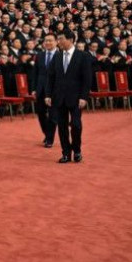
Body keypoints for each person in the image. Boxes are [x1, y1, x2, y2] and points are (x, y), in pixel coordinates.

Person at [46, 30, 92, 163]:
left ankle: (77, 150)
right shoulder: (57, 56)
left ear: (71, 39)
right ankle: (66, 153)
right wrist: (48, 94)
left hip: (76, 98)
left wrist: (84, 97)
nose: (58, 42)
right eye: (58, 39)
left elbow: (87, 78)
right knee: (62, 127)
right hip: (59, 97)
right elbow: (51, 77)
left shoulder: (83, 56)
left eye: (61, 38)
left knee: (76, 125)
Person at [32, 33, 57, 147]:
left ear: (56, 42)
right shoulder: (40, 55)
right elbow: (35, 73)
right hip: (41, 89)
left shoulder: (60, 55)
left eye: (50, 40)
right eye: (46, 40)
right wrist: (33, 88)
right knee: (41, 113)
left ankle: (50, 139)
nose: (48, 43)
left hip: (54, 90)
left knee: (53, 115)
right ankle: (47, 133)